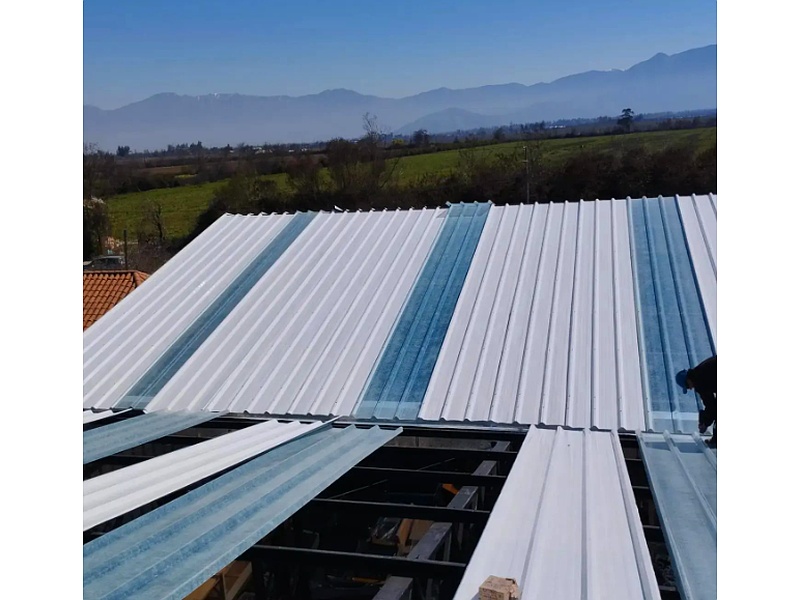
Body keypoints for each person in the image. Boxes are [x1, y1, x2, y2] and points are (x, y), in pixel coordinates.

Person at [675, 355, 717, 447]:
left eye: (687, 386)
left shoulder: (699, 381)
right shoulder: (699, 371)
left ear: (688, 380)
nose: (690, 388)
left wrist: (705, 423)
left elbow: (711, 406)